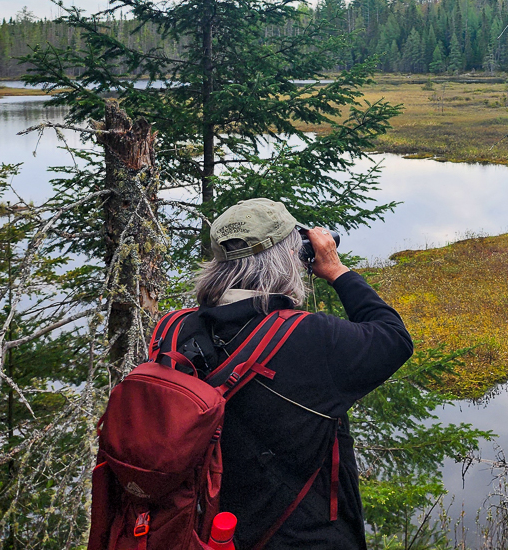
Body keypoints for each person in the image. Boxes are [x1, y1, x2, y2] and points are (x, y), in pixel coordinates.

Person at [171, 198, 413, 550]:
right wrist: (336, 270)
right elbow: (394, 338)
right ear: (288, 257)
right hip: (305, 537)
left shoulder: (176, 331)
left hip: (208, 530)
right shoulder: (310, 338)